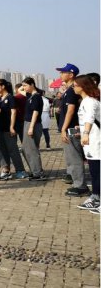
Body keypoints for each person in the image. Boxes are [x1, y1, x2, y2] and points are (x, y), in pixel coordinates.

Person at [57, 63, 88, 196]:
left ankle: (80, 186)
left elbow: (70, 110)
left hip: (71, 129)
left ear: (71, 74)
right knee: (71, 157)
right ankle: (75, 181)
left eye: (63, 72)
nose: (60, 74)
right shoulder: (68, 90)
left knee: (74, 158)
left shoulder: (71, 91)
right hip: (68, 128)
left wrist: (64, 128)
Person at [73, 75, 100, 213]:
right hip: (91, 140)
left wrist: (85, 133)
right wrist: (82, 129)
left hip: (95, 140)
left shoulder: (89, 101)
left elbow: (90, 118)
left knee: (97, 171)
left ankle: (97, 198)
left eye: (75, 85)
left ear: (82, 86)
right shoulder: (85, 101)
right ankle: (96, 197)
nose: (73, 87)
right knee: (94, 171)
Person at [0, 79, 28, 180]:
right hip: (0, 128)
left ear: (3, 86)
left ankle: (20, 170)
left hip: (9, 129)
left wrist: (12, 127)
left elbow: (13, 112)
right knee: (3, 150)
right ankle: (6, 171)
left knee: (13, 150)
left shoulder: (10, 98)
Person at [20, 77, 46, 181]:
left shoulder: (36, 97)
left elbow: (35, 112)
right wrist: (23, 86)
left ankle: (38, 173)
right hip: (27, 123)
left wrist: (31, 127)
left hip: (33, 124)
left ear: (32, 85)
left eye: (25, 85)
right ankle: (34, 170)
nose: (24, 88)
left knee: (32, 149)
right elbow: (19, 90)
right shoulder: (30, 95)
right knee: (25, 149)